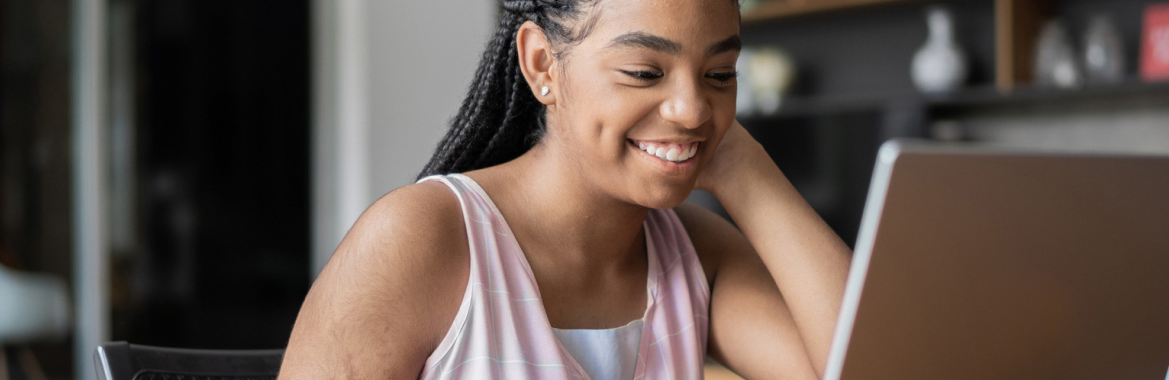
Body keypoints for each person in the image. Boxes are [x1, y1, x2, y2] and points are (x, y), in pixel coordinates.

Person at [280, 0, 850, 378]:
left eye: (719, 75)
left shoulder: (696, 257)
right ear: (541, 65)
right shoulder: (424, 238)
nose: (692, 108)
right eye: (645, 72)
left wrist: (745, 170)